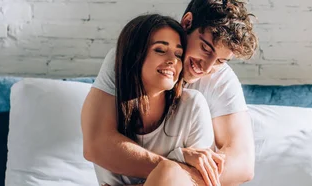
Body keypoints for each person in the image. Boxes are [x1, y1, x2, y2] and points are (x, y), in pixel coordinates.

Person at [81, 0, 259, 185]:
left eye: (220, 61)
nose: (206, 67)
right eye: (205, 48)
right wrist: (170, 170)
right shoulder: (127, 59)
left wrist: (168, 178)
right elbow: (96, 144)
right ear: (187, 23)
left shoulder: (218, 84)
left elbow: (242, 163)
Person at [89, 13, 217, 186]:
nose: (172, 60)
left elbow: (203, 181)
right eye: (160, 50)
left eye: (178, 54)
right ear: (135, 55)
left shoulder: (193, 106)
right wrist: (177, 161)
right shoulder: (109, 109)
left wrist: (171, 165)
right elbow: (96, 152)